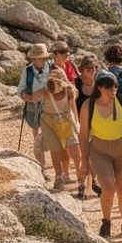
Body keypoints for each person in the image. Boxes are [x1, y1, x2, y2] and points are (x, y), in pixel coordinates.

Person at [79, 70, 122, 239]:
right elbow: (83, 135)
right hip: (99, 150)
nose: (113, 89)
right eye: (109, 86)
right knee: (108, 187)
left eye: (115, 86)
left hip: (121, 149)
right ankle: (106, 222)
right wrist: (84, 161)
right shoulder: (88, 106)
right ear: (99, 87)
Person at [39, 68, 84, 191]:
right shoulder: (47, 91)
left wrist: (77, 124)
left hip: (64, 123)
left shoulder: (67, 91)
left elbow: (73, 108)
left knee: (74, 154)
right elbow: (73, 110)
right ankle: (66, 178)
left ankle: (78, 180)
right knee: (59, 151)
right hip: (63, 123)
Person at [18, 43, 53, 169]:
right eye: (41, 58)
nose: (43, 60)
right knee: (35, 128)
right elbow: (20, 88)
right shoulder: (27, 71)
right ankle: (40, 160)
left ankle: (46, 152)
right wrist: (23, 94)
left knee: (47, 130)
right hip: (32, 104)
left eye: (44, 58)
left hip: (48, 104)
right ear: (35, 58)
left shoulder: (51, 68)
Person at [51, 41, 79, 179]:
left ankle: (68, 172)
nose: (66, 54)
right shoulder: (50, 68)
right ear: (55, 53)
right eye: (62, 51)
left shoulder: (69, 65)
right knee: (63, 143)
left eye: (67, 51)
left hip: (71, 105)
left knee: (71, 140)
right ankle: (65, 173)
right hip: (58, 108)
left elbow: (73, 83)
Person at [73, 55, 99, 200]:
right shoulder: (75, 84)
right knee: (81, 156)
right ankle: (81, 185)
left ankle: (93, 184)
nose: (92, 71)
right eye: (88, 69)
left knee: (93, 155)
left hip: (96, 124)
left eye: (94, 68)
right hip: (80, 125)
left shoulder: (98, 85)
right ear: (82, 70)